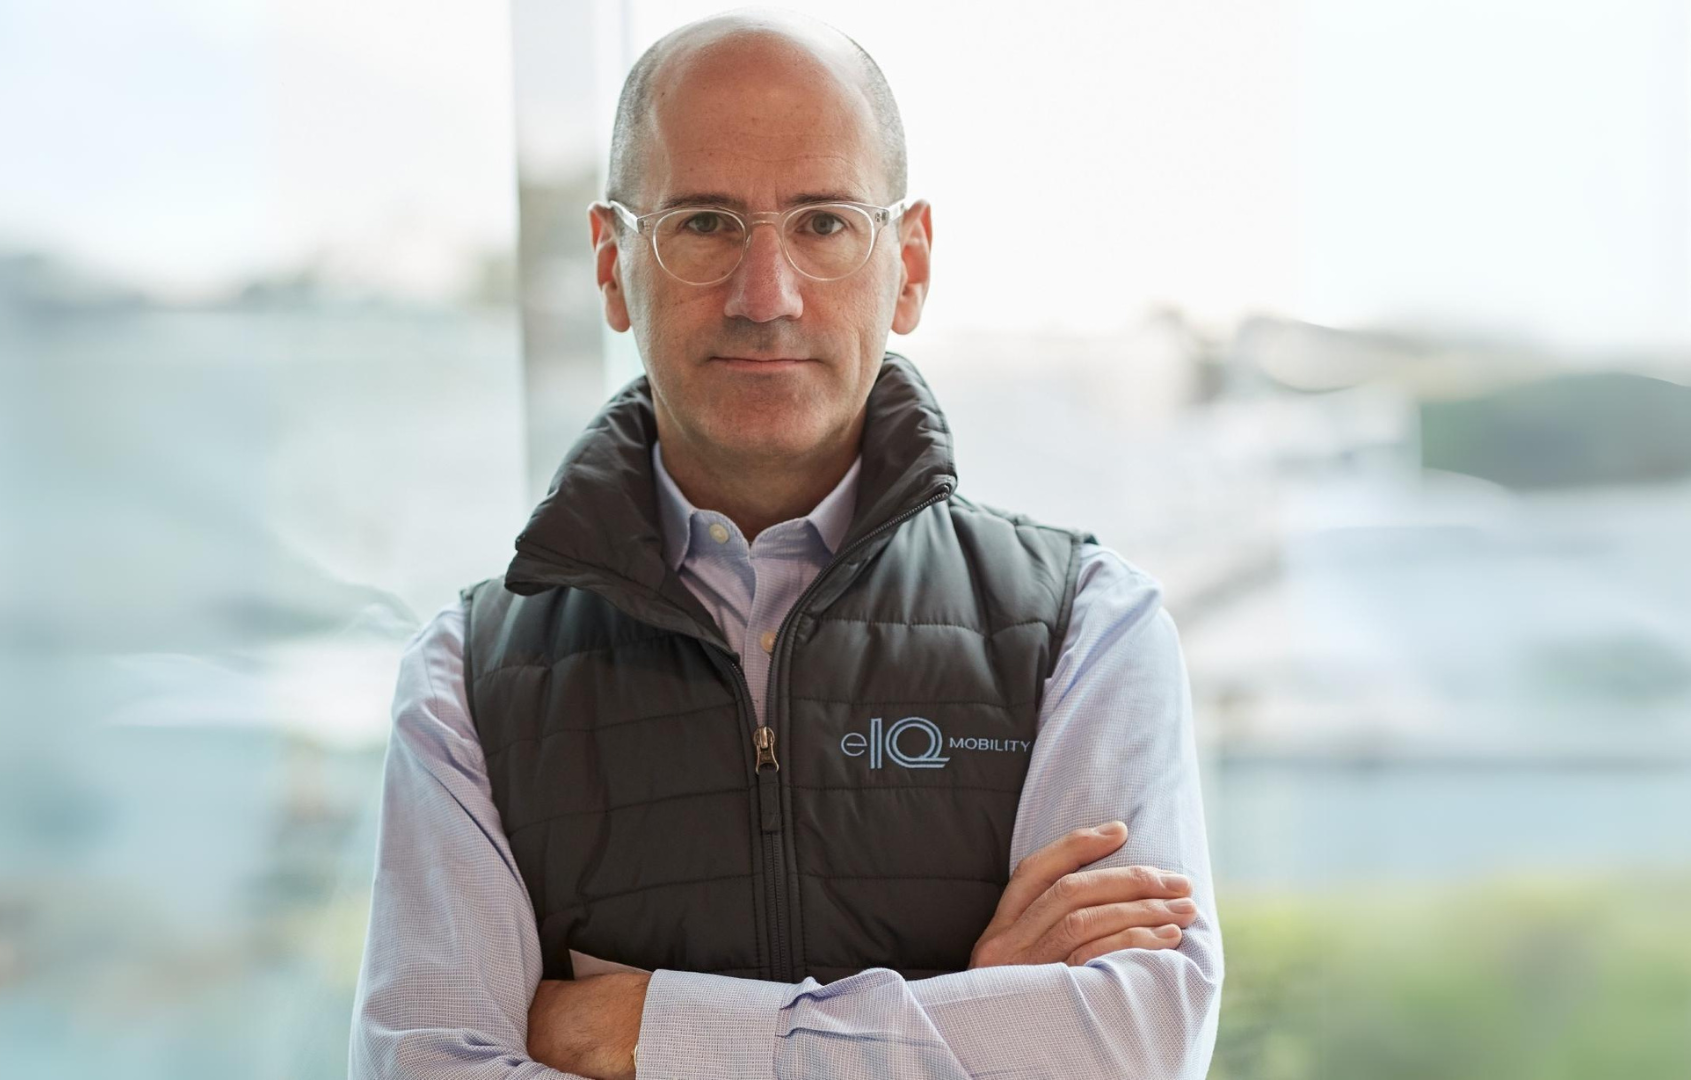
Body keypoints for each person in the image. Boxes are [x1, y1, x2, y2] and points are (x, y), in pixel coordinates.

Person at [348, 10, 1222, 1079]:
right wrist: (964, 1021)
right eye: (704, 223)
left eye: (823, 223)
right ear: (612, 265)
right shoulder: (464, 679)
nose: (765, 295)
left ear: (908, 264)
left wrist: (636, 1031)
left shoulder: (1087, 627)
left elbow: (1131, 1047)